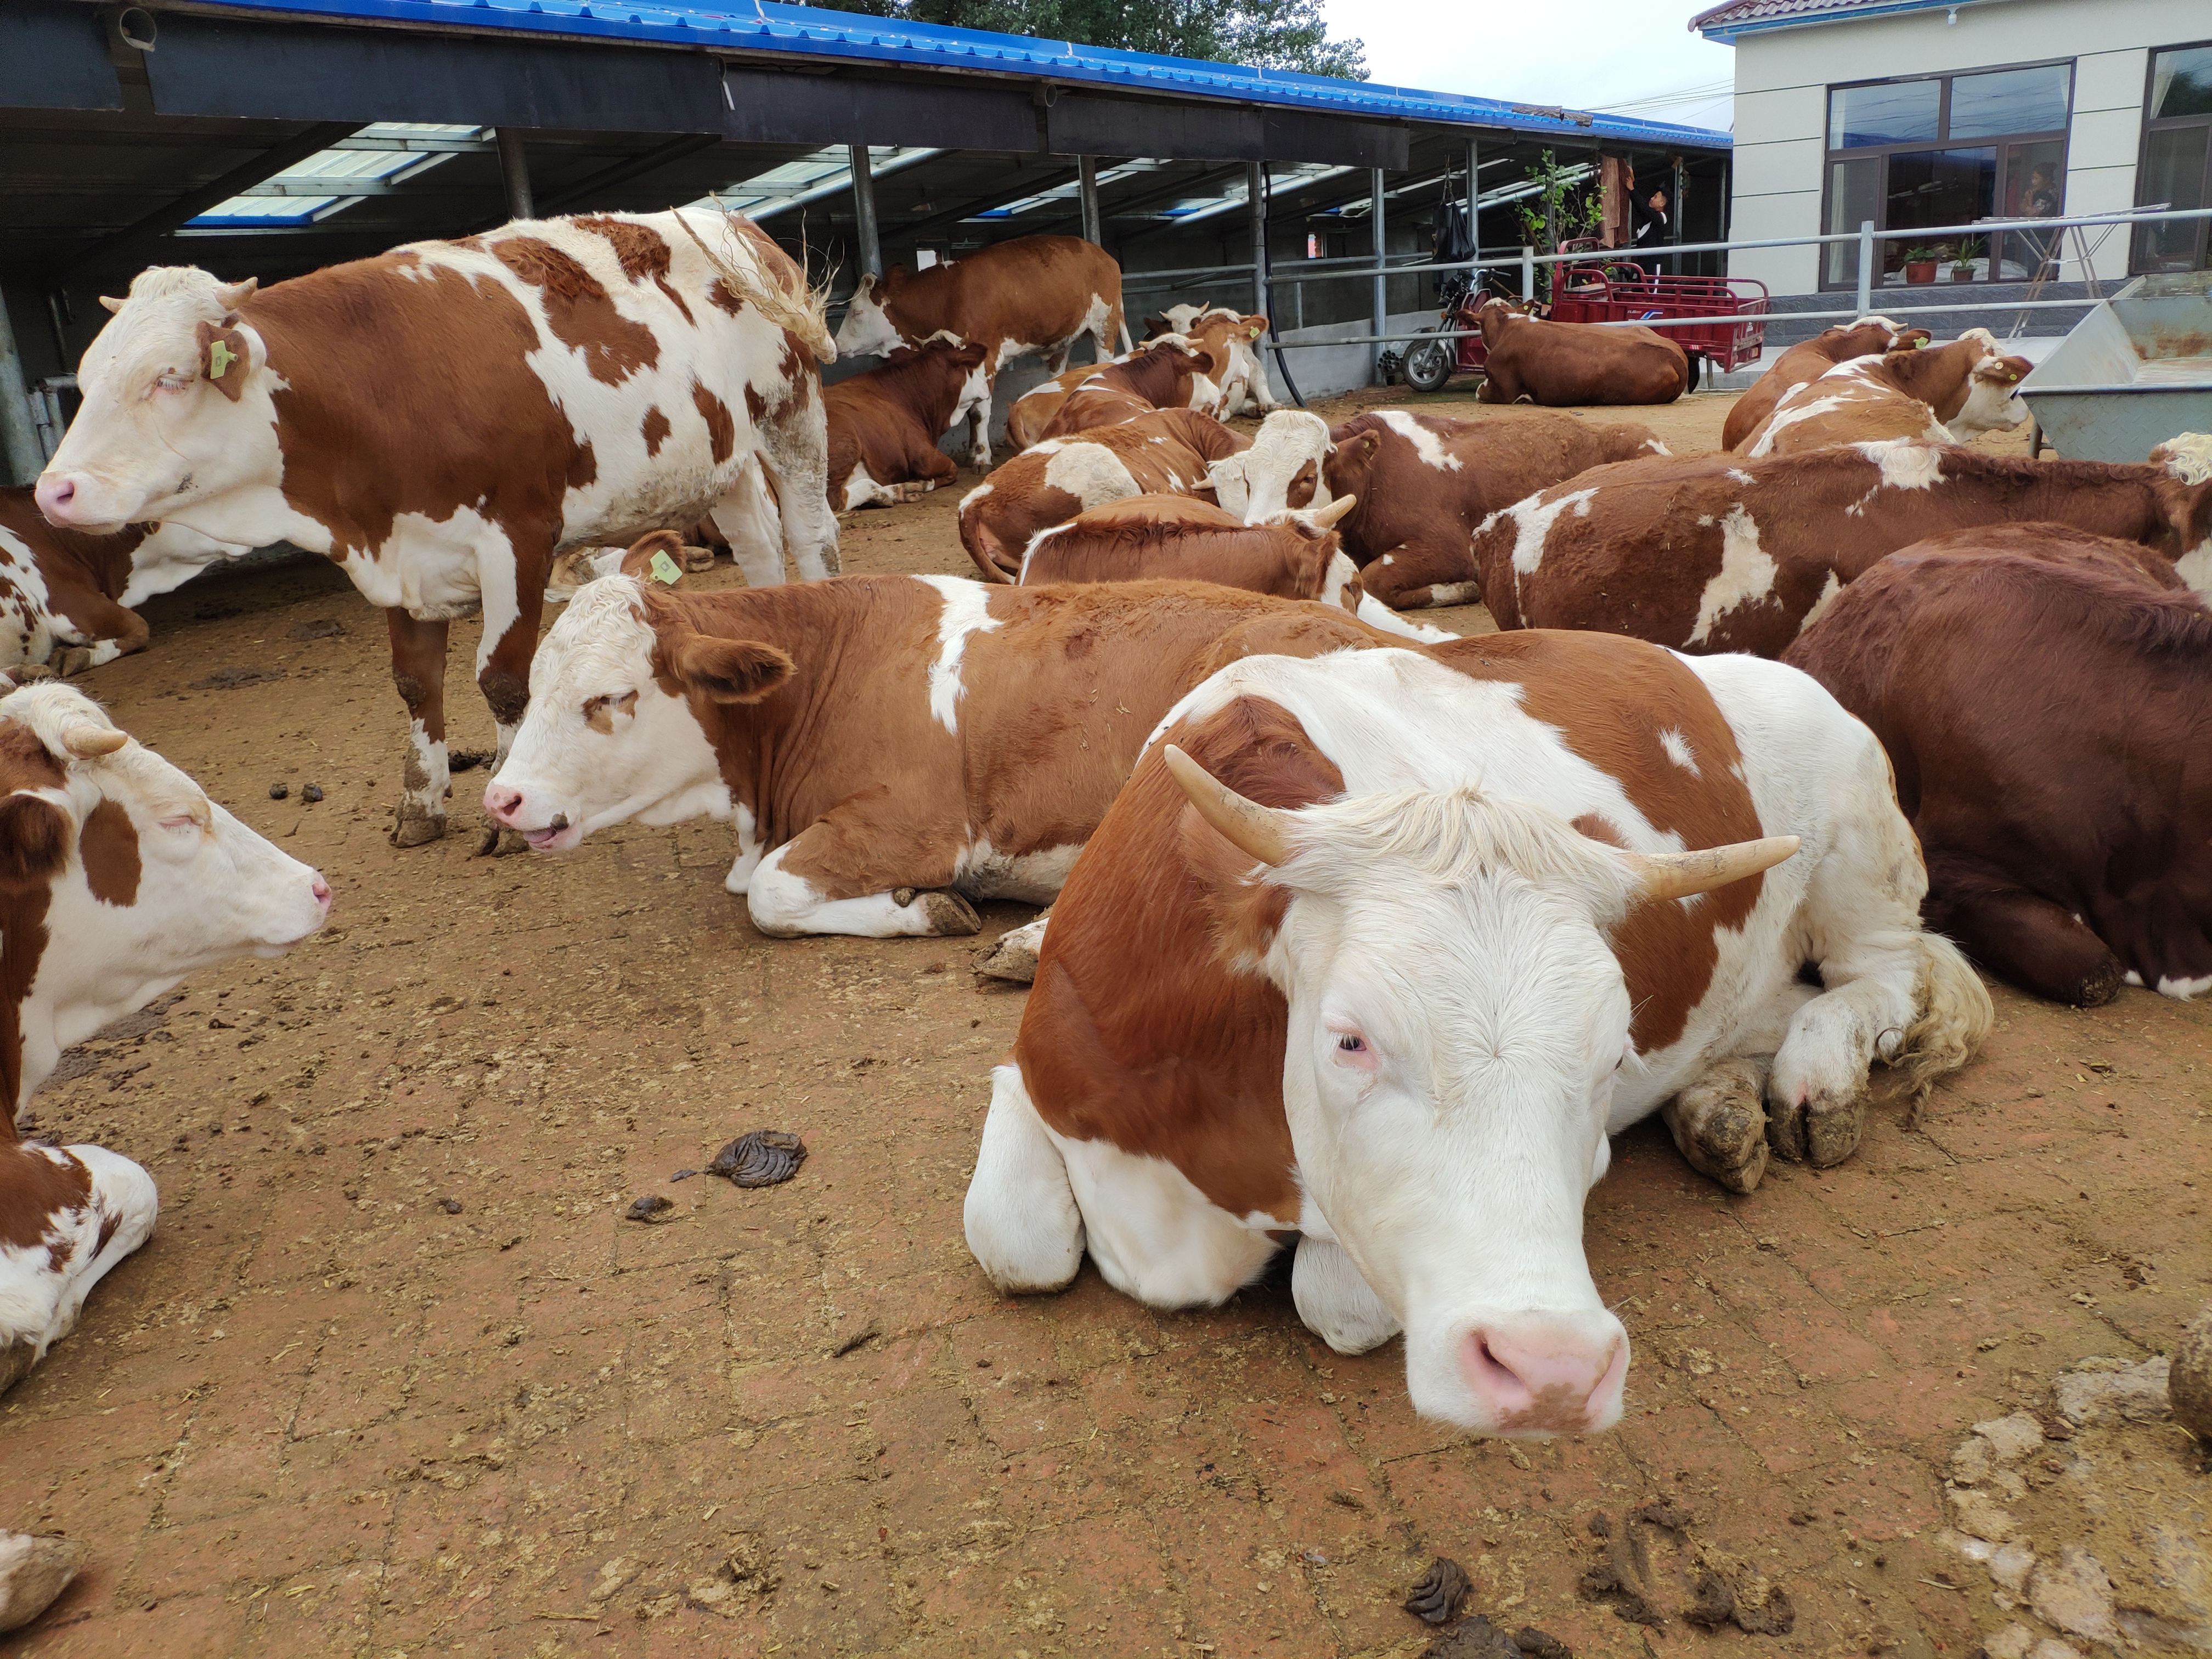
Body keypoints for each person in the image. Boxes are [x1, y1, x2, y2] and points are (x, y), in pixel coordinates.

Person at [1632, 185, 1671, 250]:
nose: (1652, 198)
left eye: (1656, 197)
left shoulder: (1662, 217)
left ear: (1662, 203)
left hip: (1653, 255)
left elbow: (1645, 208)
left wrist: (1632, 190)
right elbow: (1640, 207)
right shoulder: (1649, 216)